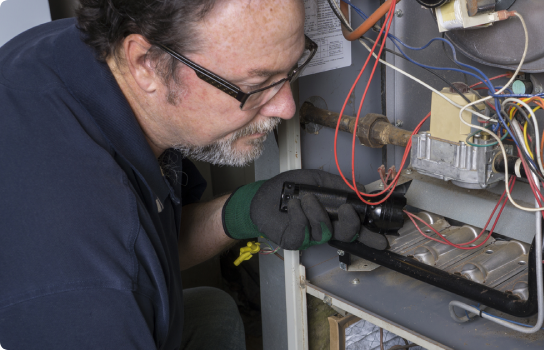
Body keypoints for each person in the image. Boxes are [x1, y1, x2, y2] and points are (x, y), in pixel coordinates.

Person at [0, 0, 385, 348]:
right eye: (255, 86)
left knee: (213, 312)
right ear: (146, 63)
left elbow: (153, 241)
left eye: (292, 68)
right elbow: (119, 257)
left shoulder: (73, 48)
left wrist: (245, 208)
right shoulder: (90, 289)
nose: (286, 107)